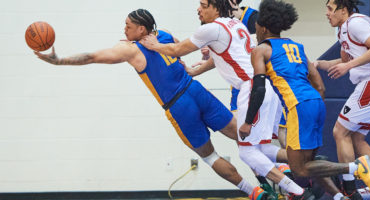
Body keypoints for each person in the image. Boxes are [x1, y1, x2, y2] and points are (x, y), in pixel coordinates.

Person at [34, 8, 270, 200]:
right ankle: (277, 178)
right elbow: (184, 47)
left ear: (141, 29)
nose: (123, 29)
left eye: (128, 26)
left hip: (179, 106)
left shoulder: (131, 50)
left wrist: (59, 61)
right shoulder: (164, 35)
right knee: (246, 137)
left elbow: (93, 57)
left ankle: (255, 194)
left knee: (209, 156)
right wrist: (205, 51)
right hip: (197, 91)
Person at [139, 0, 315, 199]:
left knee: (247, 152)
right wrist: (196, 70)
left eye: (204, 5)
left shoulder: (211, 29)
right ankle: (305, 164)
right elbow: (221, 57)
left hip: (252, 88)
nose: (199, 9)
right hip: (267, 86)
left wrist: (155, 45)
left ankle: (299, 192)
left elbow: (177, 50)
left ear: (216, 7)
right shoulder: (235, 23)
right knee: (262, 148)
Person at [240, 1, 370, 200]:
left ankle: (355, 167)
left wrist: (247, 122)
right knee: (311, 165)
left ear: (262, 27)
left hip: (299, 106)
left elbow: (259, 89)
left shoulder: (260, 50)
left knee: (300, 169)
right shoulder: (297, 47)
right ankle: (341, 197)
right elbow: (320, 86)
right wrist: (313, 107)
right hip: (316, 102)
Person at [315, 0, 370, 199]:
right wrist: (318, 63)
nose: (326, 13)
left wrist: (348, 67)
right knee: (356, 137)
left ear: (343, 10)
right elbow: (344, 60)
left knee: (339, 132)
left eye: (330, 8)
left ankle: (350, 189)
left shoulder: (355, 23)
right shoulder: (344, 29)